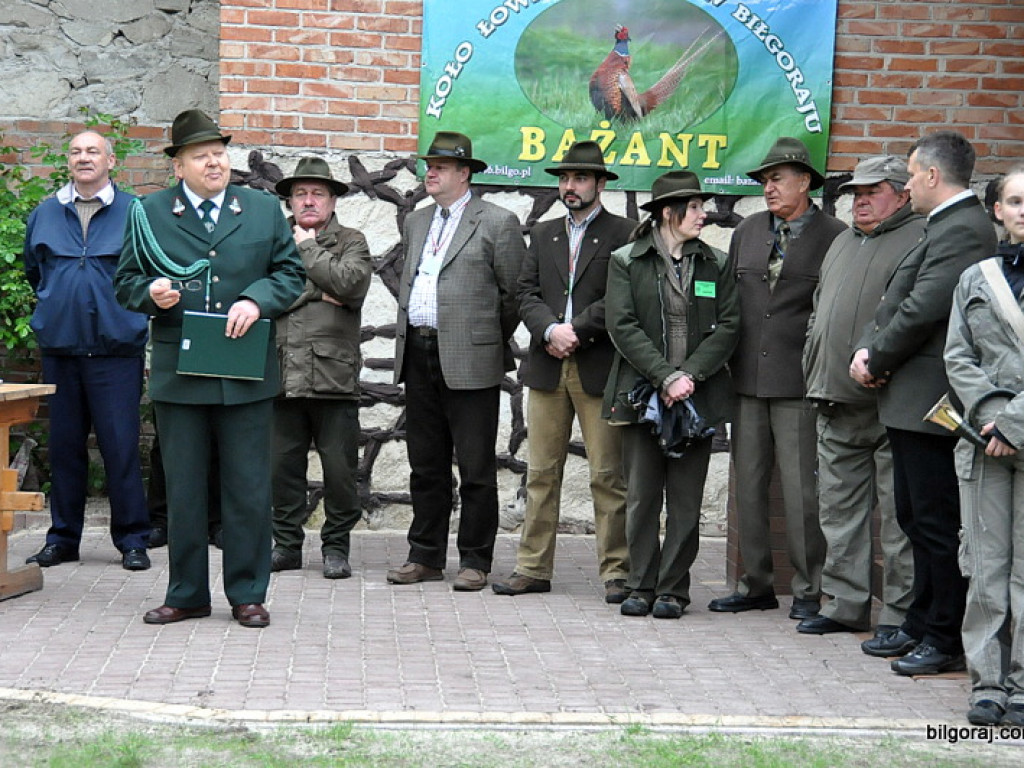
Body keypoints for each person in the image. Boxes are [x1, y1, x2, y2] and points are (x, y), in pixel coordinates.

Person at [115, 109, 304, 628]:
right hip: (182, 370)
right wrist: (150, 293)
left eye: (219, 153)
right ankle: (187, 593)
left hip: (245, 369)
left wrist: (256, 300)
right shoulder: (149, 213)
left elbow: (290, 274)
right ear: (179, 166)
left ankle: (247, 593)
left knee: (247, 487)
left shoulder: (263, 209)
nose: (214, 162)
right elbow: (125, 282)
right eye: (201, 156)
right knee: (185, 489)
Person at [851, 130, 996, 674]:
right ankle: (919, 620)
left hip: (931, 398)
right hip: (908, 396)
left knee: (935, 523)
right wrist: (870, 345)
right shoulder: (943, 225)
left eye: (911, 174)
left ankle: (943, 635)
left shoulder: (963, 230)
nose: (908, 184)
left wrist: (875, 357)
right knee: (914, 517)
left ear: (933, 176)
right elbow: (898, 297)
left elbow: (923, 307)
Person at [708, 137, 845, 619]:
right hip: (746, 379)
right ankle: (754, 585)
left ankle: (809, 590)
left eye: (777, 179)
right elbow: (727, 302)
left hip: (801, 384)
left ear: (804, 182)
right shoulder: (745, 231)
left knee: (803, 492)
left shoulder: (835, 235)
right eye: (764, 180)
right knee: (747, 486)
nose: (768, 188)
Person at [491, 141, 632, 603]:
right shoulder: (546, 232)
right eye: (564, 179)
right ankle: (533, 567)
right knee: (540, 471)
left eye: (579, 179)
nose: (569, 187)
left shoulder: (624, 232)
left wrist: (577, 330)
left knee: (606, 474)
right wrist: (549, 329)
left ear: (600, 183)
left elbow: (621, 298)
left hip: (596, 364)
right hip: (548, 366)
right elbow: (525, 291)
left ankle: (616, 572)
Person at [386, 131, 525, 592]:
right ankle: (424, 554)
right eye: (430, 164)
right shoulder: (417, 221)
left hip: (471, 357)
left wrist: (483, 340)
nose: (431, 171)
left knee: (476, 466)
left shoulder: (498, 222)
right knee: (425, 463)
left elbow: (513, 295)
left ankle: (475, 559)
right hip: (419, 354)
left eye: (441, 166)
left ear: (465, 174)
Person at [603, 171, 739, 618]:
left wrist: (690, 376)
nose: (704, 215)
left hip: (696, 397)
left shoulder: (715, 263)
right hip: (644, 395)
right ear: (668, 212)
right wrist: (665, 377)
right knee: (641, 496)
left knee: (686, 500)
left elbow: (730, 326)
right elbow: (622, 326)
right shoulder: (627, 260)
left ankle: (674, 590)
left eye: (703, 207)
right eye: (695, 208)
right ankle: (640, 584)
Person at [797, 156, 921, 636]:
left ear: (903, 194)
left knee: (898, 519)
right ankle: (845, 604)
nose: (861, 201)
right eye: (855, 193)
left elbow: (919, 317)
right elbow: (817, 312)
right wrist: (814, 355)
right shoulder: (842, 242)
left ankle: (899, 615)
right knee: (839, 512)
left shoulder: (920, 240)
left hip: (890, 405)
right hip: (835, 400)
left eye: (874, 191)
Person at [22, 130, 151, 572]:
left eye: (92, 151)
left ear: (111, 160)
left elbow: (150, 271)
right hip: (61, 351)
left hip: (116, 351)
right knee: (63, 448)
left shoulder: (135, 212)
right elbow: (34, 270)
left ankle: (132, 539)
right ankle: (63, 539)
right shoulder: (45, 212)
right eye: (76, 152)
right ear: (68, 161)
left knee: (121, 448)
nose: (84, 158)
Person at [944, 164, 1024, 725]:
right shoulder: (976, 278)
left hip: (1010, 433)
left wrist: (1015, 423)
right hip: (984, 443)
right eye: (1016, 201)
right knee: (986, 565)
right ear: (997, 210)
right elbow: (957, 356)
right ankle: (989, 683)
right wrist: (995, 421)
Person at [270, 157, 372, 579]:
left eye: (317, 194)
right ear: (290, 201)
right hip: (281, 374)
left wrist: (308, 251)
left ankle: (336, 548)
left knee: (340, 472)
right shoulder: (273, 241)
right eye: (300, 194)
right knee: (281, 469)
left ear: (331, 201)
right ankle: (287, 546)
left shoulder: (352, 240)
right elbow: (268, 296)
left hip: (334, 376)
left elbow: (352, 286)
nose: (308, 201)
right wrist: (319, 289)